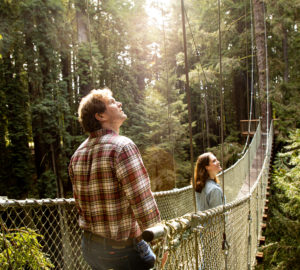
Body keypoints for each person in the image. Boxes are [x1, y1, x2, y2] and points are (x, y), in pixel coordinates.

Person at [69, 88, 161, 270]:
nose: (119, 103)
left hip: (90, 248)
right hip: (123, 251)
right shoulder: (122, 146)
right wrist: (159, 236)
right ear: (100, 116)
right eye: (112, 102)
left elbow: (80, 204)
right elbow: (142, 201)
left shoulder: (77, 155)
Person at [193, 152, 224, 270]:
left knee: (207, 260)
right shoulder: (214, 189)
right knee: (212, 263)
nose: (218, 162)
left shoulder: (200, 185)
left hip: (204, 229)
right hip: (213, 232)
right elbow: (217, 217)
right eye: (214, 161)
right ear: (207, 167)